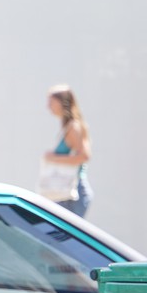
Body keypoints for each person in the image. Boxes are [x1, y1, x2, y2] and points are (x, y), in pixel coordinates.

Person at [42, 85, 93, 218]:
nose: (48, 106)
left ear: (62, 103)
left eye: (51, 102)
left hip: (74, 192)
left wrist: (53, 158)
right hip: (66, 193)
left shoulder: (73, 127)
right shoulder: (67, 127)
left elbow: (84, 156)